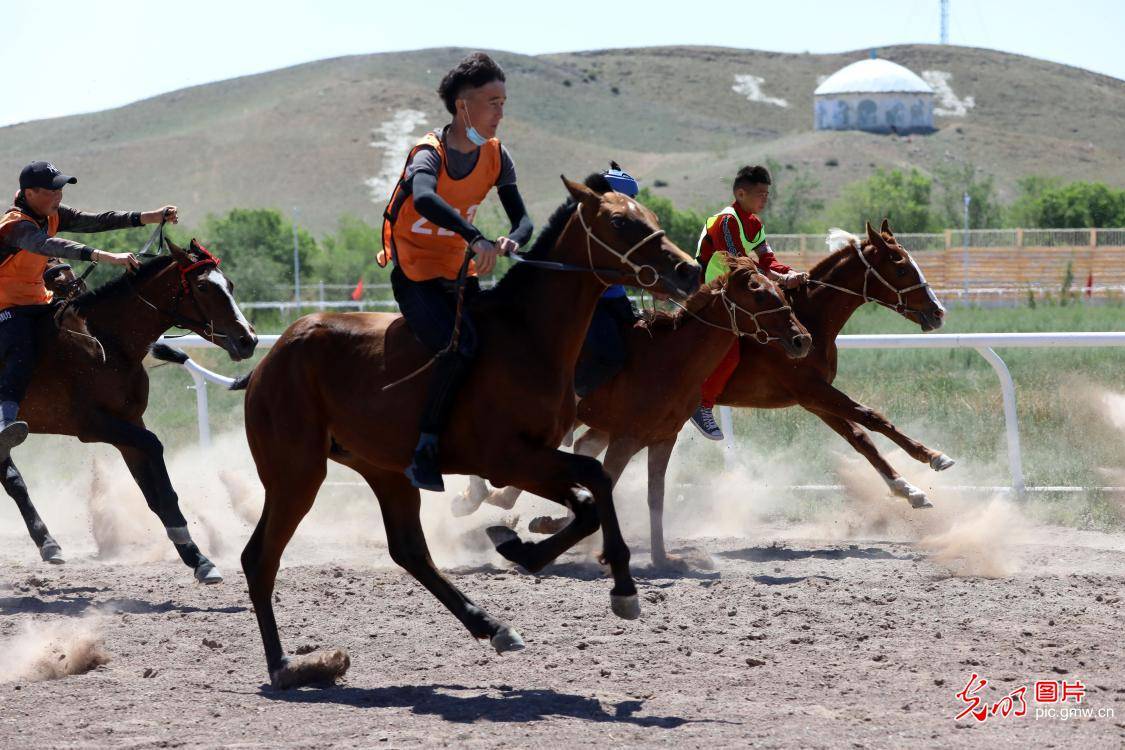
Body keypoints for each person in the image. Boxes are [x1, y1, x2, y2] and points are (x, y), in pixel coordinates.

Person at [379, 52, 533, 492]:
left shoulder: (497, 156)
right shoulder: (429, 152)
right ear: (463, 106)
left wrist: (510, 241)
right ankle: (425, 448)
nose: (501, 112)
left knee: (500, 344)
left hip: (460, 274)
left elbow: (523, 219)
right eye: (492, 102)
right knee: (459, 346)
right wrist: (474, 235)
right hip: (415, 275)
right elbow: (425, 198)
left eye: (504, 102)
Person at [0, 161, 177, 457]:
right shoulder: (14, 226)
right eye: (52, 190)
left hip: (38, 301)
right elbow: (50, 246)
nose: (59, 196)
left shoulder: (51, 213)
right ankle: (5, 423)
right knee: (20, 351)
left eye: (61, 189)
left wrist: (151, 216)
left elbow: (98, 221)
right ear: (30, 193)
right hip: (6, 308)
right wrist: (105, 256)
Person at [690, 164, 807, 440]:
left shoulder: (754, 224)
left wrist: (787, 273)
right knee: (730, 352)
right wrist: (779, 280)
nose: (765, 199)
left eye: (767, 193)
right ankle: (702, 404)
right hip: (711, 299)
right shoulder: (727, 220)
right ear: (740, 193)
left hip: (738, 299)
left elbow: (767, 259)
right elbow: (740, 264)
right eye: (759, 194)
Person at [573, 162, 641, 398]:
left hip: (616, 300)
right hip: (591, 304)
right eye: (630, 200)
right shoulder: (588, 228)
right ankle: (568, 402)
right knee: (610, 358)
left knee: (642, 350)